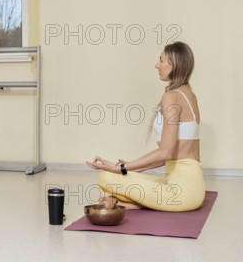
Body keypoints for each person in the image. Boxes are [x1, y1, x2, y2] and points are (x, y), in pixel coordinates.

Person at [86, 41, 205, 211]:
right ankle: (129, 203)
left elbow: (166, 152)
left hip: (180, 194)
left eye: (161, 60)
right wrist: (132, 167)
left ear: (174, 64)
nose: (157, 65)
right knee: (126, 174)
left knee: (106, 178)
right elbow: (173, 155)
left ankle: (124, 203)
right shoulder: (189, 94)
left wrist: (119, 168)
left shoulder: (171, 96)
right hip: (190, 186)